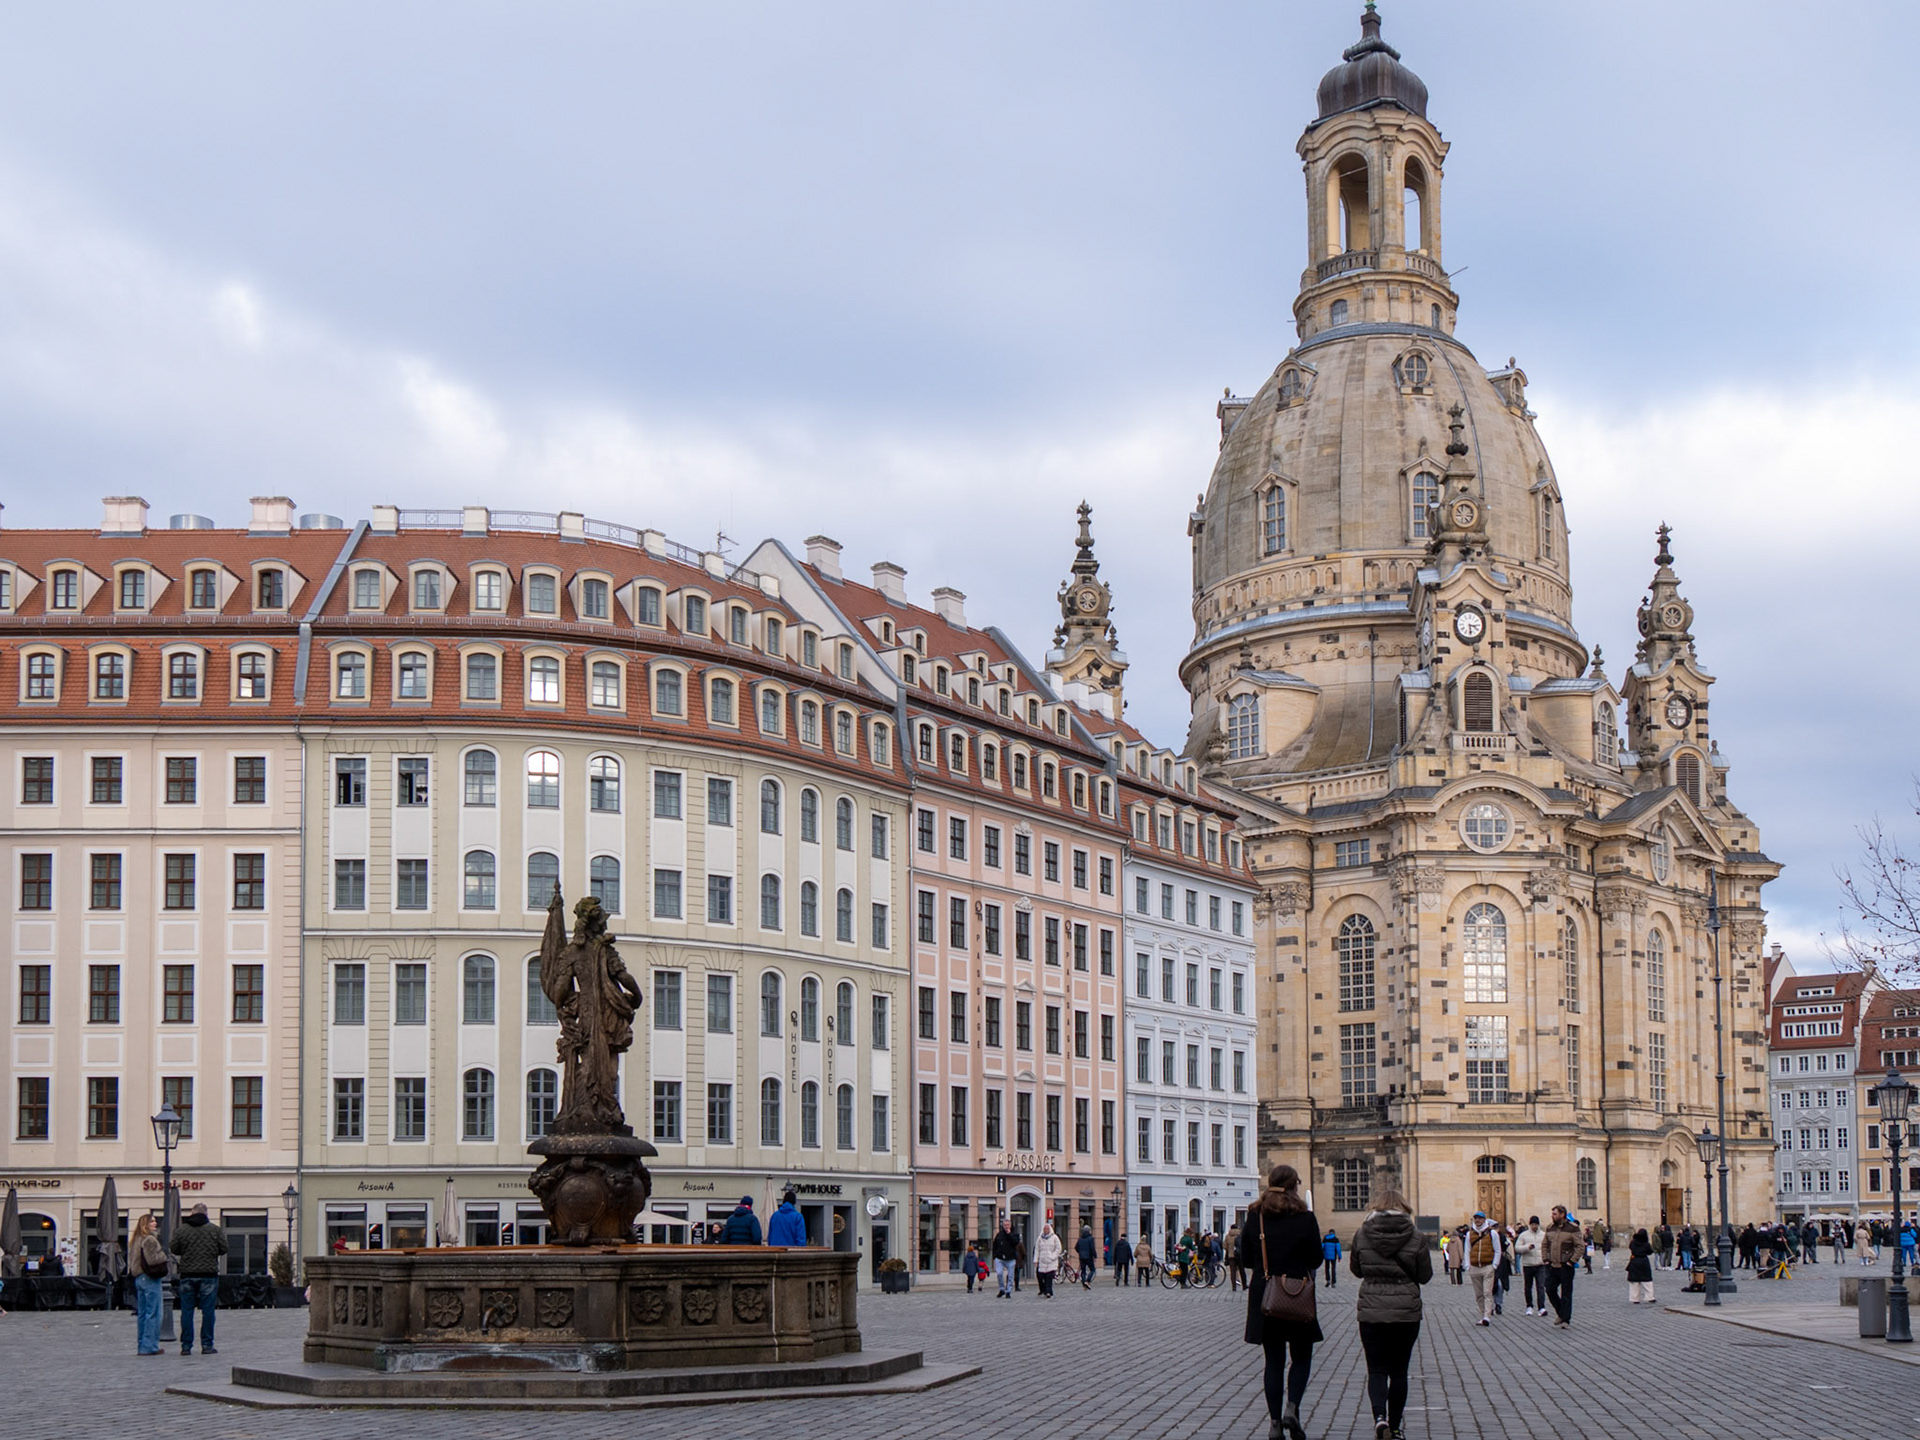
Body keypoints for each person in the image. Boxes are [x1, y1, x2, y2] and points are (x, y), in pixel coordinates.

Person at [1240, 1165, 1324, 1440]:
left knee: (1273, 1361)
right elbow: (1315, 1259)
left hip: (1266, 1293)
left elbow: (1246, 1257)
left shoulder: (1256, 1216)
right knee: (1301, 1358)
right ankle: (1293, 1407)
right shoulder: (1305, 1217)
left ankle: (1275, 1423)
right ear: (1294, 1186)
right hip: (1297, 1291)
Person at [1350, 1189, 1432, 1440]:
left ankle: (1379, 1418)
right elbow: (1425, 1276)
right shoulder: (1416, 1237)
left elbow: (1356, 1269)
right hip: (1406, 1313)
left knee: (1376, 1370)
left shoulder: (1362, 1234)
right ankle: (1395, 1428)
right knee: (1399, 1372)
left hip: (1371, 1312)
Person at [169, 1202, 228, 1355]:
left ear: (192, 1213)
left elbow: (174, 1248)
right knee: (208, 1311)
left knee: (187, 1311)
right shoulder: (214, 1230)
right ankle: (207, 1345)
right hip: (209, 1275)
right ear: (206, 1214)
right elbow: (224, 1248)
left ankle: (186, 1346)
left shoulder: (182, 1230)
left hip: (187, 1274)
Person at [129, 1214, 167, 1356]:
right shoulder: (149, 1239)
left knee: (143, 1314)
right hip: (150, 1278)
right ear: (145, 1224)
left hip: (138, 1278)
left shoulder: (136, 1240)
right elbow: (153, 1260)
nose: (155, 1223)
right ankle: (150, 1346)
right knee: (154, 1313)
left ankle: (142, 1344)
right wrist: (163, 1255)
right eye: (152, 1221)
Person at [1540, 1205, 1582, 1328]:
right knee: (1550, 1289)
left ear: (1562, 1214)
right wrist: (1545, 1259)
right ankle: (1561, 1313)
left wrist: (1572, 1261)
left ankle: (1566, 1320)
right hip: (1552, 1265)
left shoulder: (1572, 1228)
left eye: (1554, 1214)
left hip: (1566, 1265)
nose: (1552, 1216)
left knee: (1566, 1293)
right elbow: (1544, 1245)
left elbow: (1580, 1246)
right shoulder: (1550, 1228)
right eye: (1552, 1213)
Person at [1464, 1211, 1502, 1326]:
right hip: (1474, 1267)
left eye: (1480, 1218)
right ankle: (1483, 1314)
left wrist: (1494, 1265)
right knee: (1478, 1294)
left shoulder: (1492, 1234)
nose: (1478, 1221)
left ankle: (1487, 1316)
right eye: (1476, 1218)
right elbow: (1467, 1250)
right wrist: (1467, 1265)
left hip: (1487, 1266)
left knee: (1487, 1292)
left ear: (1484, 1220)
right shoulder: (1470, 1234)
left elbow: (1497, 1250)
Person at [1513, 1216, 1545, 1315]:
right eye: (1532, 1224)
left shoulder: (1544, 1235)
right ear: (1530, 1225)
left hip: (1540, 1264)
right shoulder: (1524, 1235)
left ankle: (1541, 1307)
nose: (1534, 1226)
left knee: (1540, 1286)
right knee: (1528, 1286)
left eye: (1536, 1224)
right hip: (1528, 1264)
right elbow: (1517, 1248)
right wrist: (1527, 1247)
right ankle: (1529, 1306)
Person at [989, 1220, 1019, 1298]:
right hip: (1000, 1258)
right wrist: (994, 1255)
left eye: (1008, 1225)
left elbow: (1015, 1242)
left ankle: (1008, 1291)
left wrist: (1009, 1234)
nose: (1006, 1226)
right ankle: (1002, 1289)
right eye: (1005, 1225)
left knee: (1010, 1276)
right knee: (999, 1273)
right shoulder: (999, 1235)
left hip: (1011, 1258)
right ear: (1003, 1226)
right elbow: (995, 1245)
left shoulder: (1015, 1234)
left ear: (1010, 1225)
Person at [1627, 1228, 1655, 1304]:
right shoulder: (1646, 1243)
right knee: (1647, 1280)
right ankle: (1650, 1297)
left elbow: (1630, 1248)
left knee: (1634, 1281)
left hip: (1635, 1261)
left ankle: (1634, 1298)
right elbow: (1650, 1251)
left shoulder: (1633, 1242)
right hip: (1643, 1261)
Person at [1035, 1223, 1062, 1299]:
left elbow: (1058, 1248)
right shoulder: (1040, 1238)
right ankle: (1045, 1290)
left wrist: (1053, 1256)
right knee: (1041, 1276)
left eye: (1047, 1229)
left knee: (1049, 1277)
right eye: (1045, 1229)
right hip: (1042, 1261)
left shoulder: (1054, 1238)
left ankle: (1048, 1292)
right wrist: (1036, 1260)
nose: (1046, 1230)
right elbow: (1037, 1249)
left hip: (1051, 1261)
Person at [1075, 1225, 1096, 1290]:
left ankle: (1084, 1283)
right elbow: (1092, 1248)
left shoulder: (1080, 1238)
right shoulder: (1091, 1238)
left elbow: (1076, 1247)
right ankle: (1088, 1281)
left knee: (1083, 1271)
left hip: (1081, 1257)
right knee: (1092, 1270)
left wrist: (1080, 1252)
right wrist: (1095, 1255)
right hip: (1089, 1257)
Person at [1226, 1224, 1245, 1291]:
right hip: (1240, 1255)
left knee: (1233, 1272)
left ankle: (1234, 1287)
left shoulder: (1228, 1236)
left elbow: (1224, 1246)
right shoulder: (1241, 1235)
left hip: (1231, 1256)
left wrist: (1230, 1249)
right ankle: (1244, 1285)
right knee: (1242, 1270)